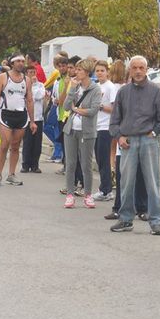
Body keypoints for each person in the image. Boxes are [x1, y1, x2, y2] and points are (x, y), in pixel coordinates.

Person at [109, 56, 160, 235]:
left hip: (148, 140)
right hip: (128, 141)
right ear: (130, 70)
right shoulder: (122, 92)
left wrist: (153, 133)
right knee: (126, 182)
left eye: (141, 68)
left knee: (152, 183)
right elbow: (114, 121)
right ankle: (126, 219)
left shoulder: (156, 91)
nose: (137, 71)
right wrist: (119, 136)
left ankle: (155, 221)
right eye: (134, 67)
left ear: (146, 70)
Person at [0, 54, 37, 186]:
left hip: (21, 115)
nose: (21, 63)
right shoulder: (3, 77)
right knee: (5, 144)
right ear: (12, 63)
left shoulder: (27, 80)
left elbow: (30, 100)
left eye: (22, 61)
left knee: (15, 146)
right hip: (6, 114)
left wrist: (32, 121)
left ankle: (11, 174)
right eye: (18, 61)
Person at [62, 59, 102, 208]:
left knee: (86, 164)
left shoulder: (95, 89)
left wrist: (77, 110)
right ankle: (70, 194)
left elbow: (93, 110)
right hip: (71, 129)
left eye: (79, 70)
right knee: (70, 163)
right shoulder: (75, 87)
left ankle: (88, 194)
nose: (76, 72)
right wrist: (71, 90)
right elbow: (66, 107)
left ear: (86, 72)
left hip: (87, 132)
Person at [92, 60, 118, 202]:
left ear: (107, 72)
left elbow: (115, 109)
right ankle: (104, 187)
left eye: (102, 70)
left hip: (106, 127)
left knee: (104, 159)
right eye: (97, 71)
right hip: (95, 126)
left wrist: (100, 107)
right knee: (99, 159)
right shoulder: (96, 86)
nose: (100, 73)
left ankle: (106, 190)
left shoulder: (110, 87)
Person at [20, 65, 46, 173]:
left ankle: (35, 164)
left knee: (37, 143)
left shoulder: (40, 85)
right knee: (27, 142)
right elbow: (26, 98)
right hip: (27, 117)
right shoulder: (22, 85)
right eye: (30, 72)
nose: (32, 75)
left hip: (38, 117)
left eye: (34, 72)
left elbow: (39, 96)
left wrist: (34, 85)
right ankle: (25, 164)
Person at [43, 55, 68, 163]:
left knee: (57, 129)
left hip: (63, 109)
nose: (61, 68)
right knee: (49, 127)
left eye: (63, 66)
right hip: (55, 106)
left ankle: (58, 152)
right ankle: (58, 150)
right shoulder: (58, 76)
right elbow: (50, 85)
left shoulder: (66, 78)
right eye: (59, 65)